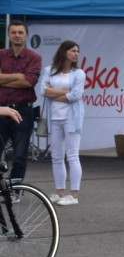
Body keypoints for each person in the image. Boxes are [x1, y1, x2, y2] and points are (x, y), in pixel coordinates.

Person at [36, 40, 86, 206]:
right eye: (73, 50)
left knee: (72, 155)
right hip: (54, 119)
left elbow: (76, 96)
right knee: (57, 157)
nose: (76, 53)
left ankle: (73, 194)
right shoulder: (49, 70)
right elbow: (43, 91)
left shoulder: (79, 73)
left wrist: (53, 92)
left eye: (77, 51)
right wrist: (66, 92)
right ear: (64, 52)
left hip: (71, 119)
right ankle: (60, 192)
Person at [0, 20, 42, 187]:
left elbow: (29, 82)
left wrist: (4, 79)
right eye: (14, 32)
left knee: (19, 154)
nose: (17, 35)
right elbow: (23, 79)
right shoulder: (1, 55)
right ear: (9, 35)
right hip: (2, 110)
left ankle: (15, 189)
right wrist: (19, 75)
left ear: (26, 36)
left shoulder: (34, 57)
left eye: (20, 32)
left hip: (23, 111)